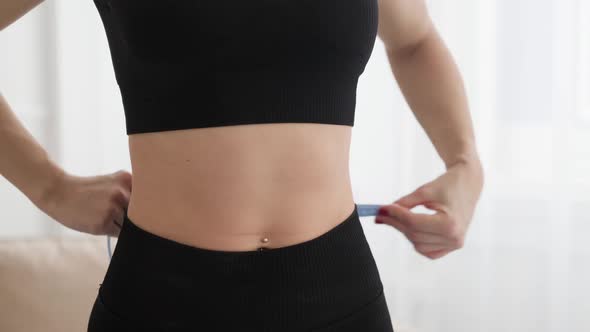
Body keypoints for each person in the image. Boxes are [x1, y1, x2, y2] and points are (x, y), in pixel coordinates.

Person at [0, 0, 484, 331]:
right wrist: (51, 189)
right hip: (162, 301)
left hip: (337, 295)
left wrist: (465, 165)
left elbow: (414, 39)